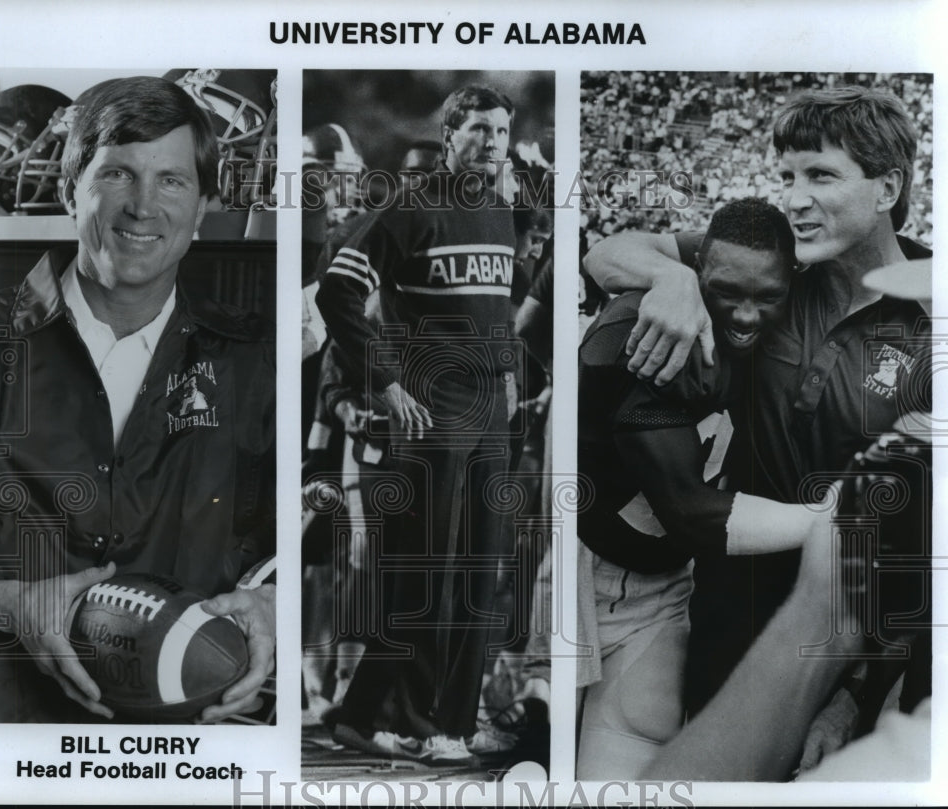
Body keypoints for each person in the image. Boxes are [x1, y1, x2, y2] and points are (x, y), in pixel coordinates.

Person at [583, 85, 931, 730]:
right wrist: (673, 278)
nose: (795, 199)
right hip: (728, 617)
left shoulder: (933, 317)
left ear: (886, 190)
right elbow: (607, 252)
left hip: (855, 640)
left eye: (820, 176)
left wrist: (861, 687)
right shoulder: (776, 270)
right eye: (788, 176)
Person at [0, 76, 276, 723]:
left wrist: (276, 603)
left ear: (202, 208)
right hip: (2, 735)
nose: (143, 207)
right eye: (117, 174)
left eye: (171, 180)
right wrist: (7, 602)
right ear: (68, 188)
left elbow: (305, 525)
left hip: (189, 737)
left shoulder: (257, 359)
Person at [577, 197, 832, 778]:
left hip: (663, 584)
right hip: (580, 570)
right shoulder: (642, 333)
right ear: (701, 270)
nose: (745, 315)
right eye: (726, 295)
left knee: (632, 758)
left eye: (767, 298)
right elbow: (692, 512)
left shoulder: (764, 262)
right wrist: (832, 518)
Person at [316, 84, 519, 765]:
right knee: (430, 576)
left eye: (501, 132)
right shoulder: (408, 205)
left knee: (480, 573)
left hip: (492, 406)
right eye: (479, 131)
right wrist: (388, 378)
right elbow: (337, 290)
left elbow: (496, 306)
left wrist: (512, 372)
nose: (490, 144)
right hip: (433, 407)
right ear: (450, 132)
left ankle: (423, 720)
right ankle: (415, 721)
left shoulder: (500, 209)